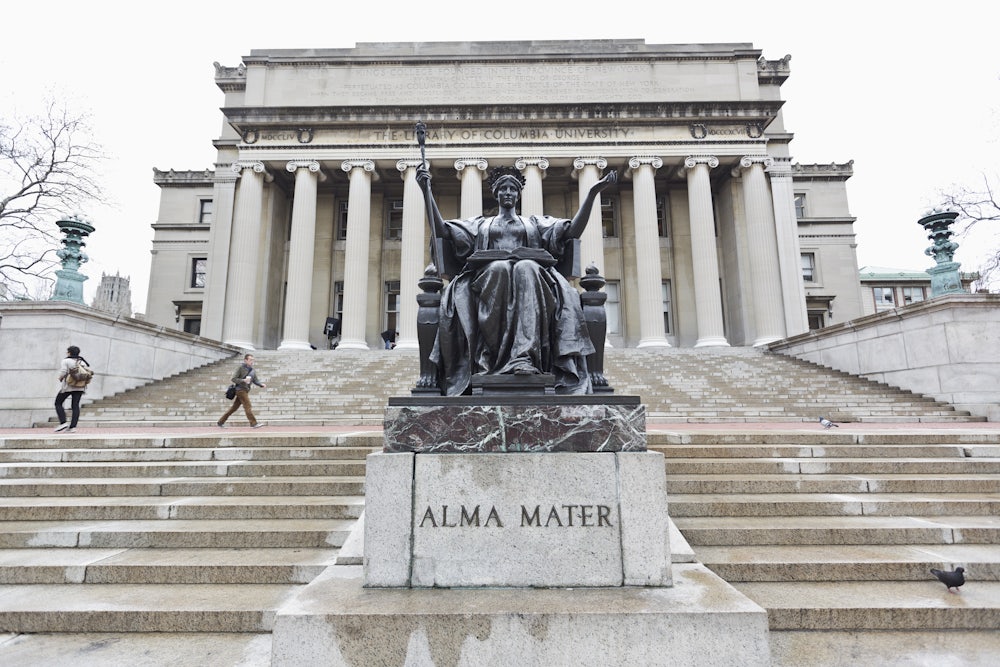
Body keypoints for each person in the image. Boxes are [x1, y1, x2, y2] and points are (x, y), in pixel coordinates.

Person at [416, 164, 617, 395]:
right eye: (503, 189)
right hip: (488, 278)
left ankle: (525, 357)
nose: (508, 193)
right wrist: (426, 191)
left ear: (518, 193)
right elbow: (443, 231)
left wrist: (592, 193)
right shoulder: (481, 225)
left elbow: (572, 231)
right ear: (496, 193)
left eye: (512, 188)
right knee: (500, 268)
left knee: (526, 268)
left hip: (533, 279)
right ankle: (491, 358)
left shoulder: (534, 224)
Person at [218, 353, 266, 428]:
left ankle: (221, 422)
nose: (252, 361)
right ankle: (253, 423)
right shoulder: (240, 368)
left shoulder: (252, 370)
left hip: (246, 390)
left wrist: (261, 384)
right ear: (245, 360)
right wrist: (243, 380)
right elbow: (233, 379)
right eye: (250, 360)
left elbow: (255, 380)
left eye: (252, 360)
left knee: (234, 408)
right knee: (248, 406)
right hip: (240, 390)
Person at [54, 345, 89, 432]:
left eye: (67, 351)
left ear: (69, 352)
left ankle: (63, 422)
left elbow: (64, 371)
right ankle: (73, 427)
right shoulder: (82, 361)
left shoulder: (66, 360)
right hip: (80, 387)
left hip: (68, 386)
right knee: (75, 406)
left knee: (58, 403)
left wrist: (60, 378)